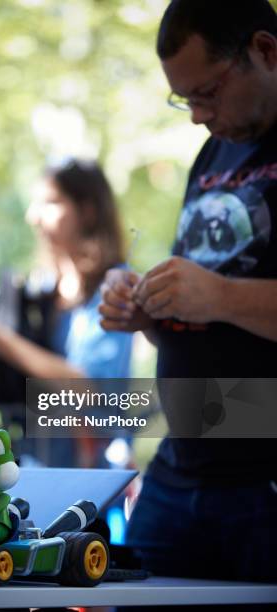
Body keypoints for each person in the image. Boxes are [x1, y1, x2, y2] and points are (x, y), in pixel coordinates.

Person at [99, 0, 277, 582]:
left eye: (207, 92)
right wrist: (150, 306)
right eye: (185, 99)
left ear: (265, 51)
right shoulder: (217, 146)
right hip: (183, 461)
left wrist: (219, 295)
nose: (197, 115)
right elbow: (212, 309)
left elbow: (223, 297)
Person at [0, 158, 133, 467]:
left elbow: (87, 388)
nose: (33, 217)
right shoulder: (45, 287)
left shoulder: (115, 284)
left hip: (92, 471)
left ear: (88, 210)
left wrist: (0, 340)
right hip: (37, 461)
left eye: (50, 203)